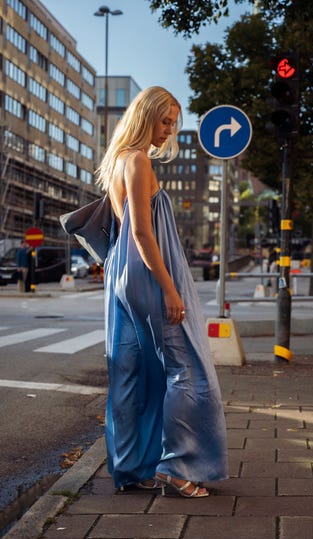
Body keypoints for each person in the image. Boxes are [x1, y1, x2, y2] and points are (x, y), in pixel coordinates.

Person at [96, 86, 228, 498]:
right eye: (165, 121)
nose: (169, 131)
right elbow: (140, 231)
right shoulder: (136, 160)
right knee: (188, 368)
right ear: (144, 116)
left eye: (174, 123)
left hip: (123, 270)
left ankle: (132, 467)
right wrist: (170, 289)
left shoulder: (118, 161)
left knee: (132, 372)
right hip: (148, 271)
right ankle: (178, 466)